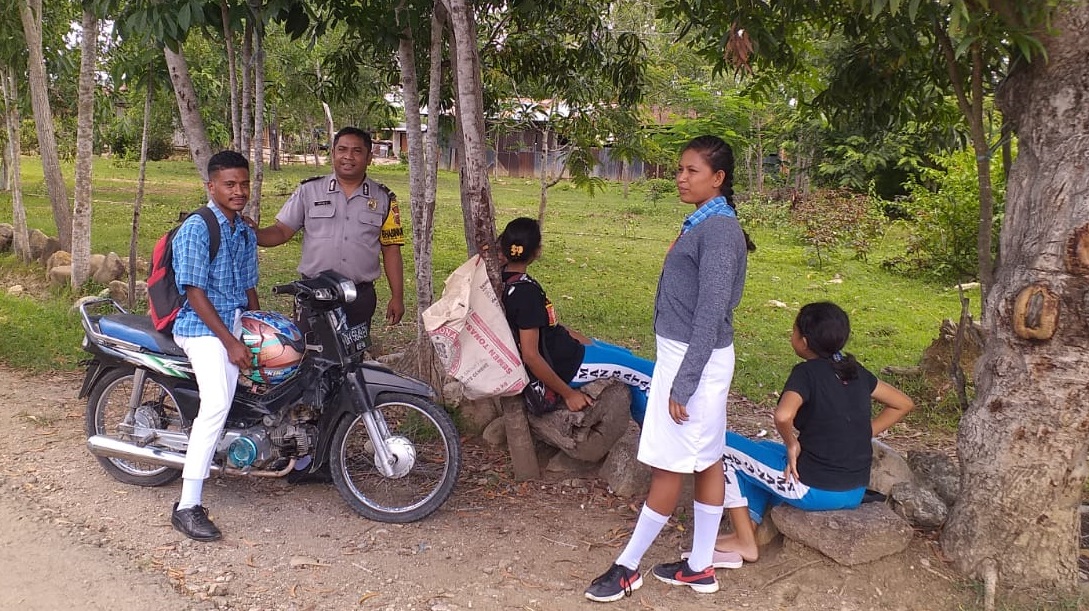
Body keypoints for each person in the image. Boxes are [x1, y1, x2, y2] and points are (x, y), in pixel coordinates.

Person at [585, 135, 752, 603]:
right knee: (707, 458)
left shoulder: (718, 231)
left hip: (693, 360)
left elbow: (712, 310)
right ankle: (699, 567)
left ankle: (627, 566)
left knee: (667, 464)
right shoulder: (707, 222)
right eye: (679, 169)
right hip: (692, 357)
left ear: (717, 178)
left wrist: (685, 379)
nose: (681, 177)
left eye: (691, 170)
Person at [700, 302, 915, 567]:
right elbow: (903, 403)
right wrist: (863, 432)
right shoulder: (854, 371)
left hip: (814, 490)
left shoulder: (806, 374)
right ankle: (751, 523)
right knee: (764, 449)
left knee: (721, 446)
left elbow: (783, 415)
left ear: (803, 341)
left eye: (793, 331)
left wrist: (791, 444)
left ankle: (745, 542)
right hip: (855, 490)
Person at [170, 150, 260, 542]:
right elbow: (193, 293)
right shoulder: (197, 227)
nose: (238, 191)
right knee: (217, 403)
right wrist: (230, 342)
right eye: (230, 184)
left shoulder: (242, 229)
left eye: (243, 184)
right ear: (212, 187)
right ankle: (187, 504)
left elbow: (248, 285)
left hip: (234, 319)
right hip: (200, 327)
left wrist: (258, 329)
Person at [499, 217, 654, 424]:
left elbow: (547, 327)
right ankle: (661, 440)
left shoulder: (505, 280)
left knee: (626, 356)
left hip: (569, 349)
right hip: (569, 366)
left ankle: (646, 432)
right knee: (652, 374)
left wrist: (583, 339)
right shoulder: (524, 294)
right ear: (537, 251)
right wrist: (568, 394)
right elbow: (531, 355)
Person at [254, 126, 406, 337]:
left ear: (369, 157)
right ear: (333, 153)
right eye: (342, 149)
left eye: (357, 151)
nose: (348, 157)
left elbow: (391, 250)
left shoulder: (384, 199)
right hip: (314, 294)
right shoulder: (309, 191)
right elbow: (281, 231)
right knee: (310, 356)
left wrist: (397, 297)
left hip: (358, 296)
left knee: (353, 360)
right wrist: (254, 233)